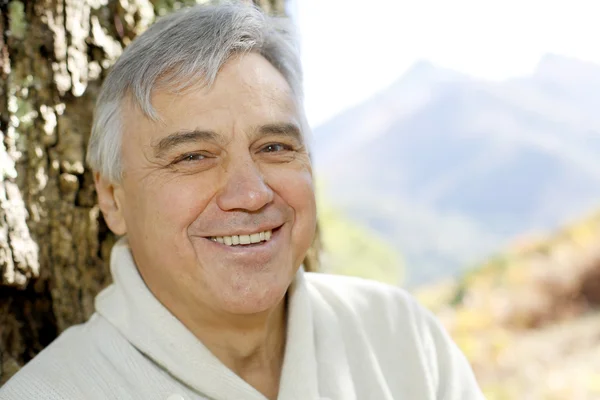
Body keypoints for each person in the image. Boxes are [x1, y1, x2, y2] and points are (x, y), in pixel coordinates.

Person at [0, 2, 484, 399]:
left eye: (274, 147)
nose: (251, 194)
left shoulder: (400, 338)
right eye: (193, 156)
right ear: (113, 199)